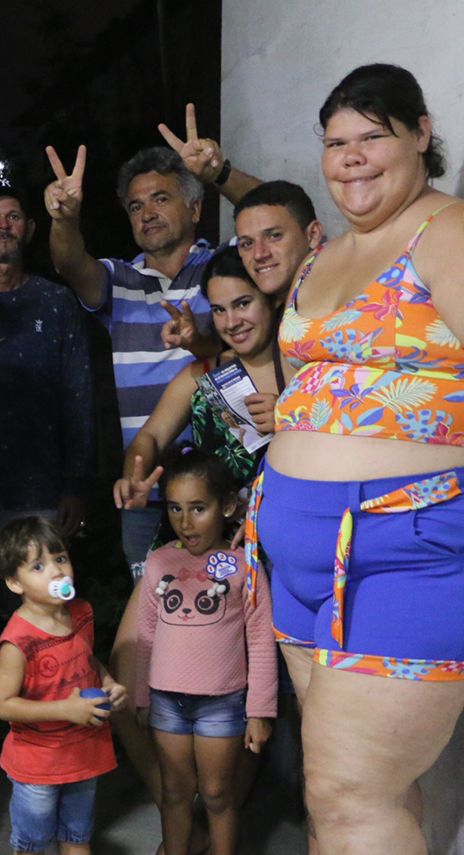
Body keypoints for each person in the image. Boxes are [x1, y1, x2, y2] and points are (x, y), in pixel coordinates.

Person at [248, 67, 464, 855]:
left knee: (349, 784)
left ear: (419, 135)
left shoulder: (448, 228)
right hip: (304, 554)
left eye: (372, 135)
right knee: (363, 786)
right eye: (335, 142)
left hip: (421, 548)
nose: (351, 158)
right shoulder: (330, 248)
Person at [0, 174, 96, 765]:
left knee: (45, 630)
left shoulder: (54, 302)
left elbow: (78, 394)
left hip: (37, 495)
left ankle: (46, 745)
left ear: (29, 229)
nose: (2, 225)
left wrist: (77, 482)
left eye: (12, 216)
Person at [44, 142, 216, 576]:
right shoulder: (120, 278)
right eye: (136, 206)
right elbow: (69, 263)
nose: (147, 213)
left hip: (217, 488)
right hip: (142, 489)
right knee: (149, 606)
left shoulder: (223, 268)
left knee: (223, 604)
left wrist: (222, 172)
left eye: (160, 199)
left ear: (195, 208)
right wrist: (65, 219)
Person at [132, 447, 276, 855]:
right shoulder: (159, 562)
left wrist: (259, 710)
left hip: (223, 703)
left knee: (217, 793)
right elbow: (146, 634)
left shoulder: (243, 566)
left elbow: (260, 638)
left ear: (228, 507)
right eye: (175, 508)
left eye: (199, 508)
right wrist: (141, 695)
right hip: (166, 702)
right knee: (175, 792)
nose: (185, 521)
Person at [0, 516, 127, 855]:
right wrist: (64, 710)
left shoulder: (80, 613)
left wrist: (109, 682)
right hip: (37, 763)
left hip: (84, 754)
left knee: (78, 836)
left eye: (60, 558)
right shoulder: (18, 641)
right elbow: (2, 705)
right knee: (30, 844)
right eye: (39, 566)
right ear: (15, 583)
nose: (57, 571)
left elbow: (87, 659)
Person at [114, 246, 290, 507]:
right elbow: (150, 436)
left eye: (242, 304)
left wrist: (291, 417)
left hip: (290, 521)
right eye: (219, 310)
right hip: (212, 530)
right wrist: (132, 478)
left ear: (272, 298)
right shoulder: (202, 373)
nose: (231, 322)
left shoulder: (304, 369)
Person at [233, 181, 326, 305]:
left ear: (313, 234)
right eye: (247, 244)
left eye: (274, 236)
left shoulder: (342, 304)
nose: (259, 254)